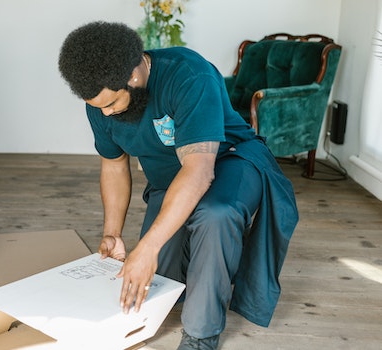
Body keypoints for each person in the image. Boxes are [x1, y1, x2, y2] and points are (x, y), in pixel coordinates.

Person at [58, 22, 298, 349]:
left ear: (134, 75)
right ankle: (210, 262)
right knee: (165, 284)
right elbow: (114, 165)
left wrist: (148, 247)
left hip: (230, 160)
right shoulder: (100, 103)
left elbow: (199, 172)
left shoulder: (188, 76)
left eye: (111, 104)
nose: (106, 113)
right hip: (170, 179)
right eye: (98, 107)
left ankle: (201, 334)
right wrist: (112, 234)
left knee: (215, 214)